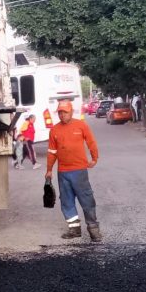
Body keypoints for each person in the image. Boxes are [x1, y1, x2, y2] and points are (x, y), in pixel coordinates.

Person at [45, 100, 101, 242]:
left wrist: (94, 158)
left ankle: (93, 229)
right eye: (60, 112)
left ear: (71, 112)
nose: (62, 115)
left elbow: (91, 142)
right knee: (66, 201)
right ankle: (74, 229)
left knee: (86, 200)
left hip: (79, 171)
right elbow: (52, 152)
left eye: (65, 112)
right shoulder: (54, 130)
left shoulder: (81, 125)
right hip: (63, 172)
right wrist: (49, 170)